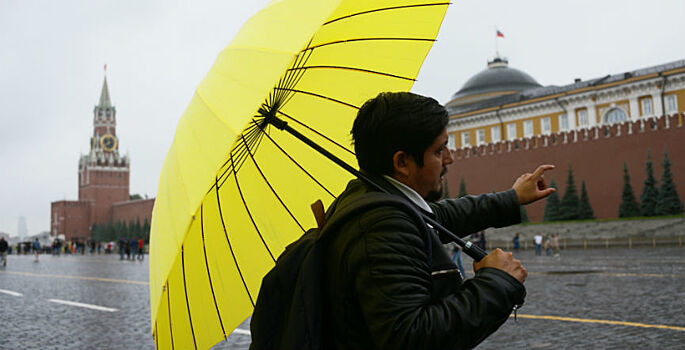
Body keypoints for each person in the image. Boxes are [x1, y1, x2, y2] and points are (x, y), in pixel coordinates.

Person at [321, 92, 555, 349]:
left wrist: (512, 198)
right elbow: (412, 338)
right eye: (438, 150)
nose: (449, 159)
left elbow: (439, 217)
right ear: (402, 162)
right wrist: (497, 282)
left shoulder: (375, 198)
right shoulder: (382, 225)